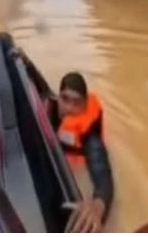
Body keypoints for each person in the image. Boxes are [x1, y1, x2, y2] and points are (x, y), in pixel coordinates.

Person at [51, 72, 113, 233]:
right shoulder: (47, 108)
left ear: (85, 104)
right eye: (65, 99)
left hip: (76, 168)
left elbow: (103, 174)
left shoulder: (90, 138)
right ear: (58, 98)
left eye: (76, 102)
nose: (69, 108)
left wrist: (99, 204)